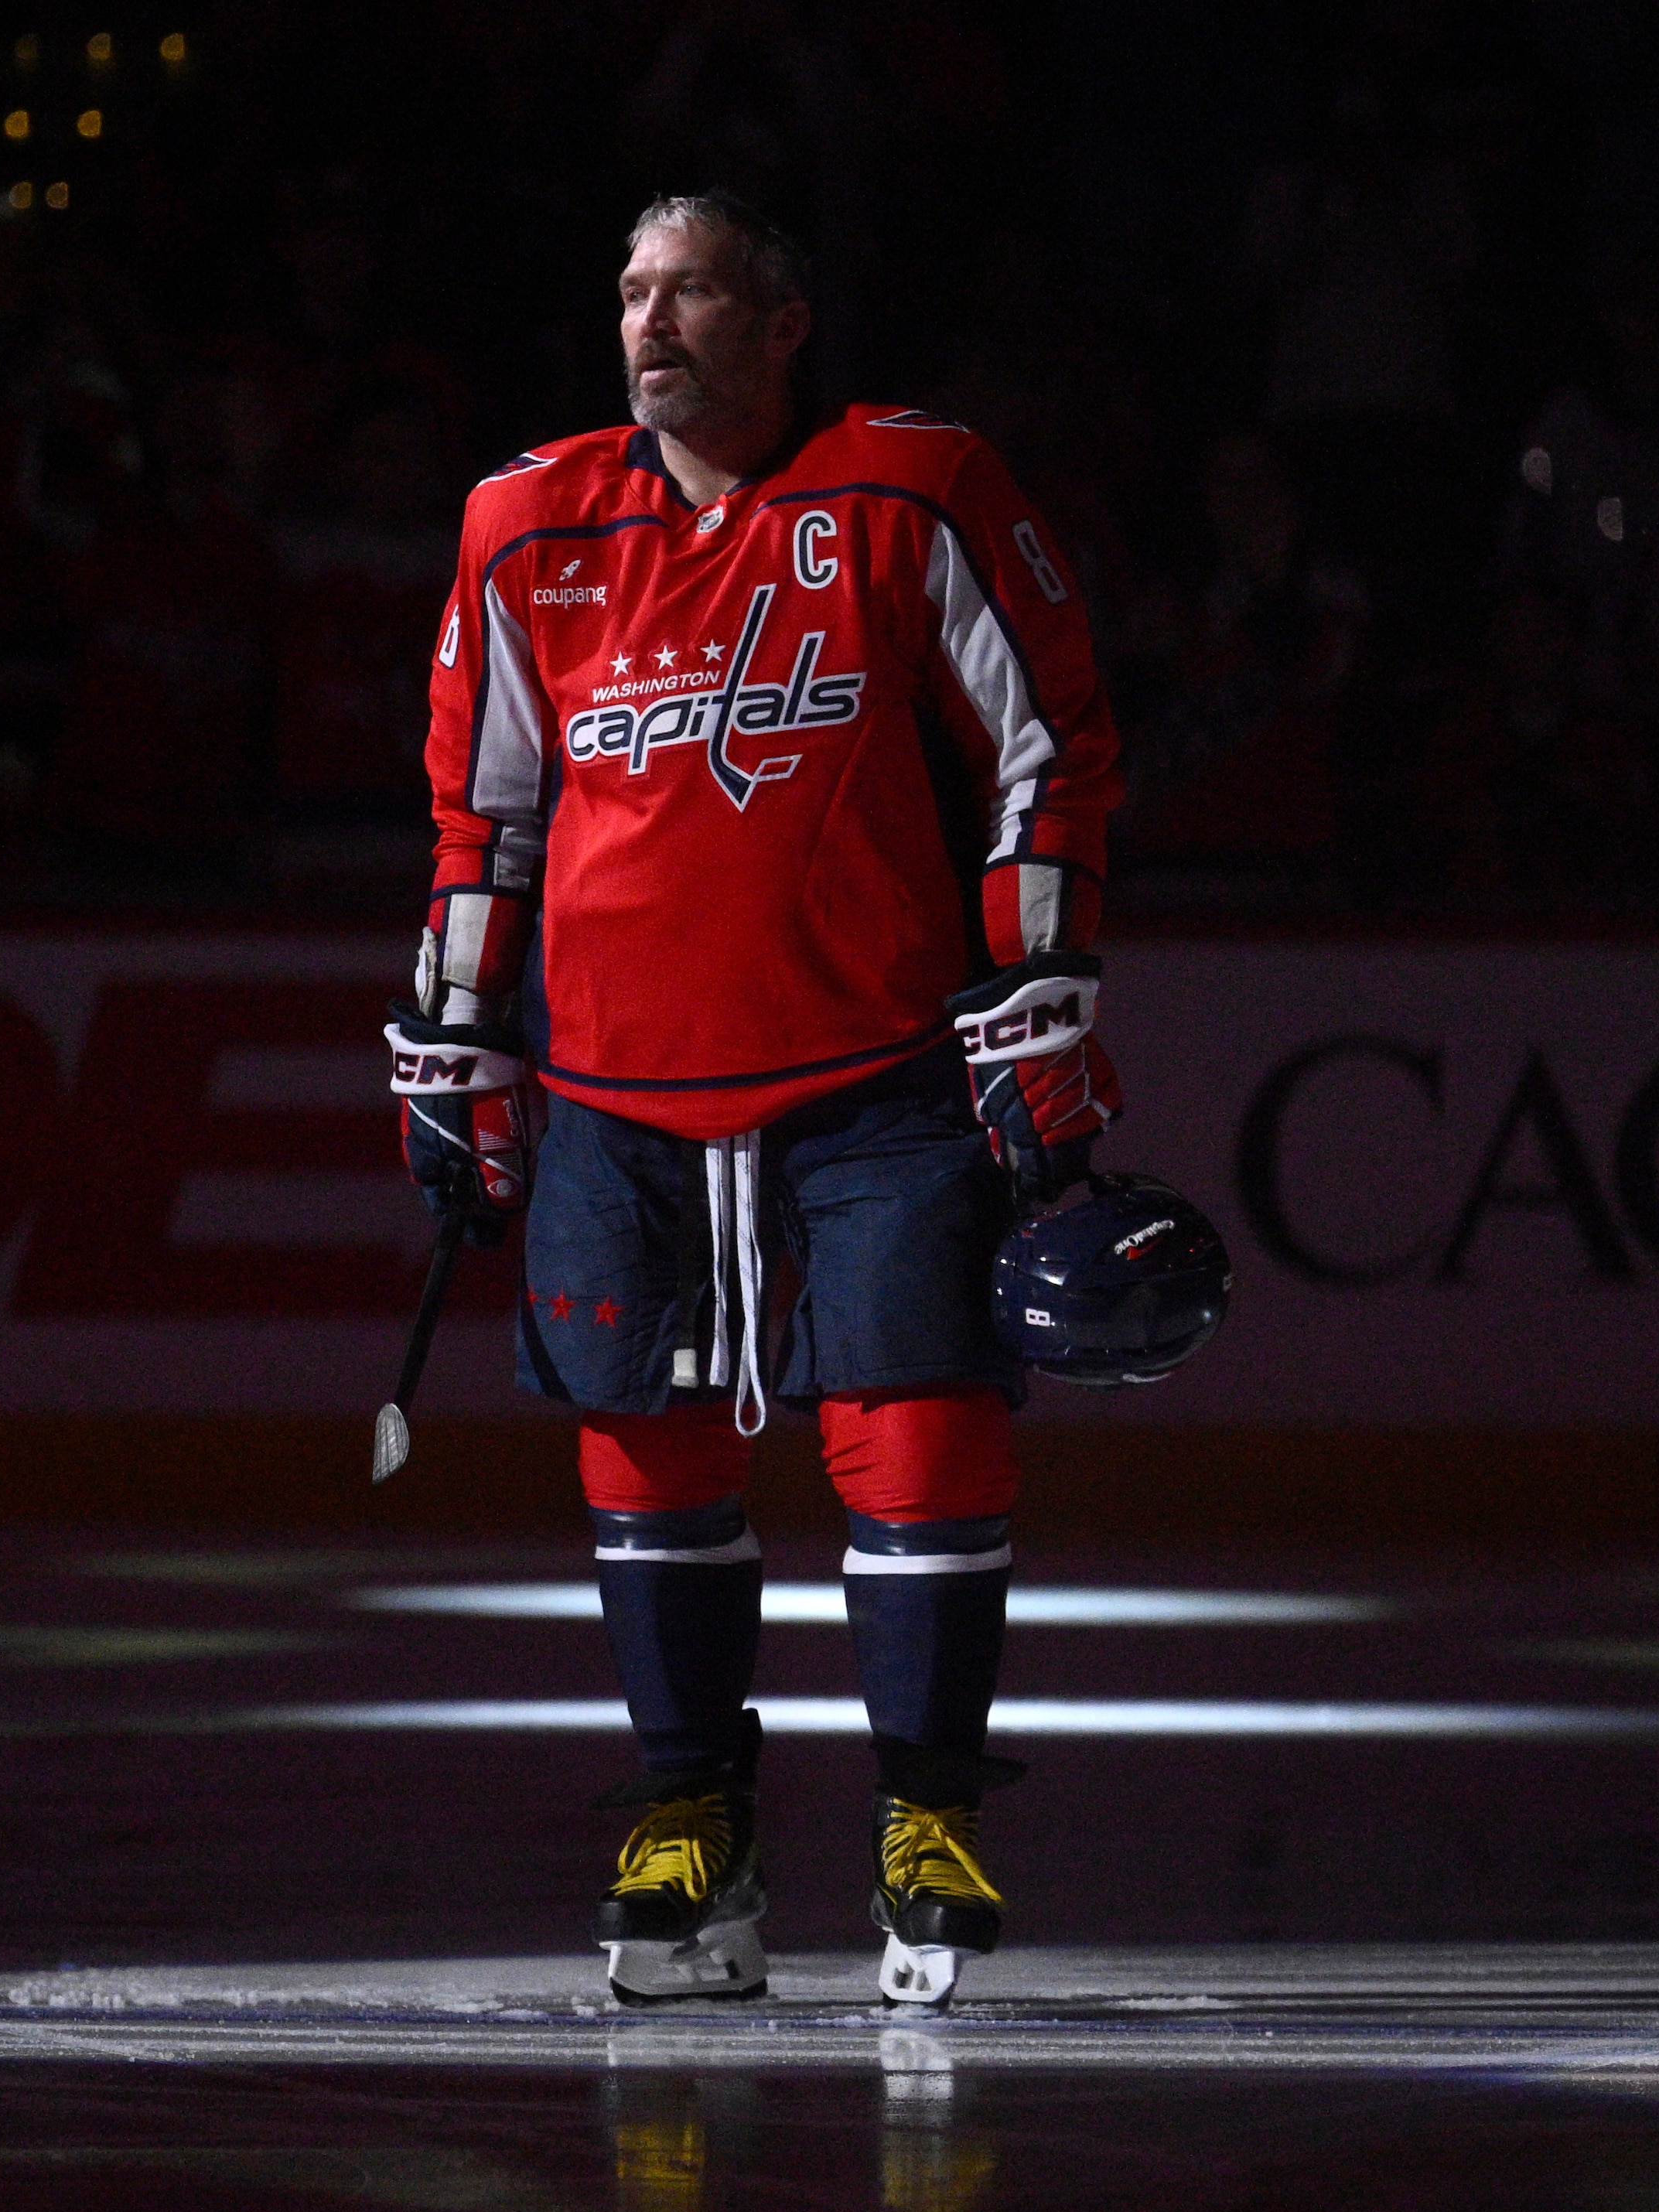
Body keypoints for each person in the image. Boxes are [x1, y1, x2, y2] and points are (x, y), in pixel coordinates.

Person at [387, 191, 1126, 2007]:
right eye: (626, 287)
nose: (646, 320)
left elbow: (1048, 744)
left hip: (876, 1071)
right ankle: (687, 1818)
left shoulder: (913, 486)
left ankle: (928, 1816)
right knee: (646, 1452)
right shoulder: (523, 523)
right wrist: (458, 1036)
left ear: (782, 317)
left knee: (923, 1436)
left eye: (689, 288)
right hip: (613, 1090)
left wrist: (1036, 996)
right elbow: (479, 814)